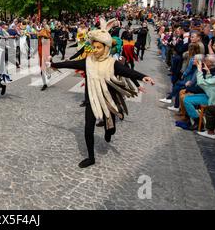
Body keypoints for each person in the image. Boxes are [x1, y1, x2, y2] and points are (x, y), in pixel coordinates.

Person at [48, 22, 154, 168]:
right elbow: (71, 64)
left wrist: (143, 77)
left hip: (107, 99)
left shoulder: (112, 63)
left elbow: (128, 72)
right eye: (94, 47)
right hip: (92, 99)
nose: (96, 50)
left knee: (110, 128)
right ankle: (91, 157)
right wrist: (54, 64)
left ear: (106, 48)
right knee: (88, 128)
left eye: (99, 47)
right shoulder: (88, 61)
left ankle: (109, 130)